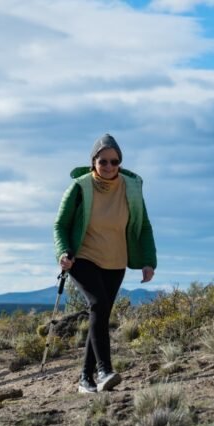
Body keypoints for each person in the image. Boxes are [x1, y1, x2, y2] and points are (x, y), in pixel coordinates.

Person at [54, 133, 156, 394]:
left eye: (114, 161)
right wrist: (63, 252)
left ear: (120, 162)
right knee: (98, 304)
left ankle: (84, 379)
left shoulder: (131, 189)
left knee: (100, 315)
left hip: (116, 260)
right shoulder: (80, 187)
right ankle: (104, 370)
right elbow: (61, 224)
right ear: (93, 162)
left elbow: (143, 225)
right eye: (103, 161)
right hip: (83, 257)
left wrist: (148, 261)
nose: (109, 167)